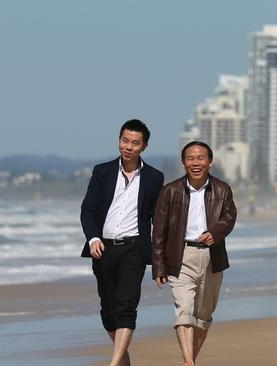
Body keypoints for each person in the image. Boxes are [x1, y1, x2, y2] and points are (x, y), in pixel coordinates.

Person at [80, 119, 164, 366]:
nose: (128, 147)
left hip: (134, 250)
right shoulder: (102, 171)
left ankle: (113, 363)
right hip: (103, 249)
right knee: (108, 312)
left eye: (135, 143)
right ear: (119, 140)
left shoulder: (153, 177)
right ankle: (123, 360)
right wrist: (93, 238)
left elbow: (157, 219)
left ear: (144, 146)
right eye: (125, 140)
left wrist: (160, 260)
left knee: (126, 307)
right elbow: (88, 210)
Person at [152, 141, 237, 366]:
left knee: (202, 317)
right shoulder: (170, 191)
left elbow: (229, 217)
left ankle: (190, 360)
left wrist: (215, 233)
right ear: (183, 163)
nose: (195, 163)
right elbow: (159, 230)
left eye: (200, 158)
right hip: (180, 256)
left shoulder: (222, 189)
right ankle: (189, 363)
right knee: (184, 311)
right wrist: (158, 266)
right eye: (190, 158)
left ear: (210, 161)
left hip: (212, 258)